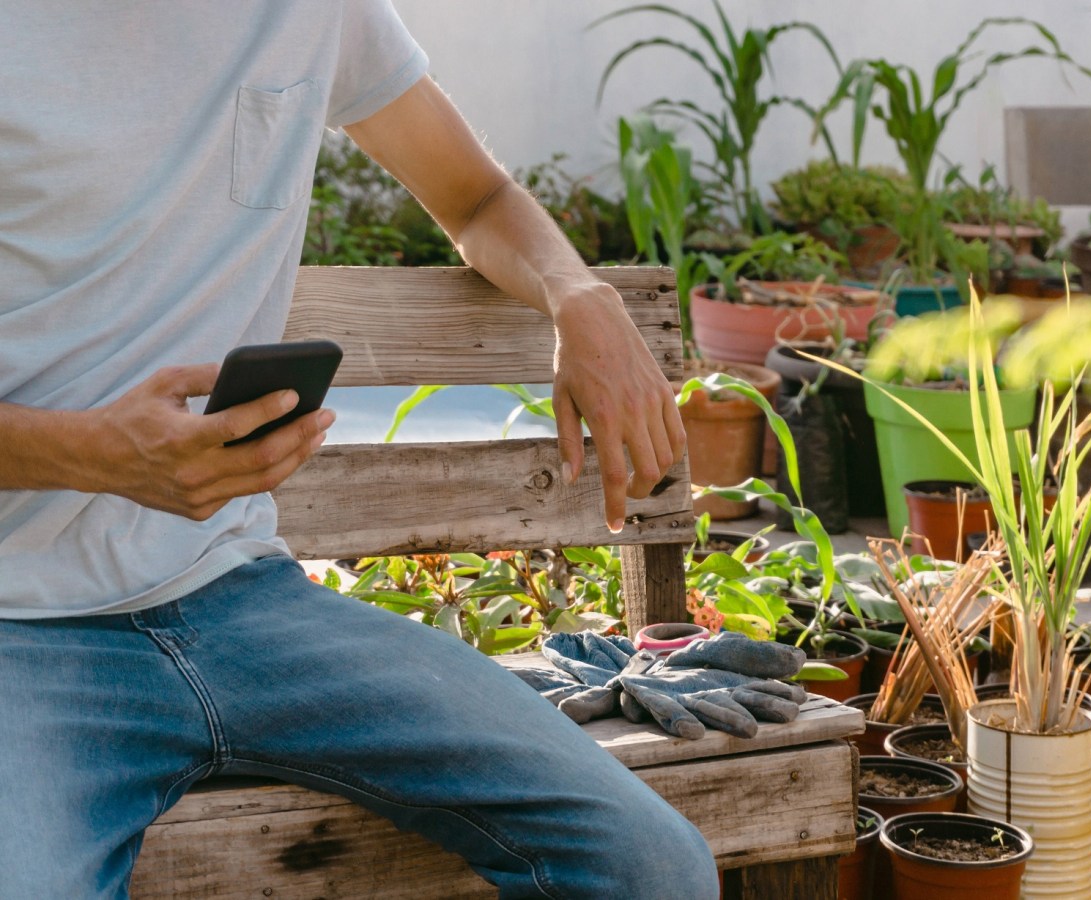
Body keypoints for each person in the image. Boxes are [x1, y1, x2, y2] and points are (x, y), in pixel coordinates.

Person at [0, 3, 719, 898]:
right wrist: (83, 454)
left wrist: (578, 293)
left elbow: (477, 196)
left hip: (239, 600)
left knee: (651, 869)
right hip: (20, 632)